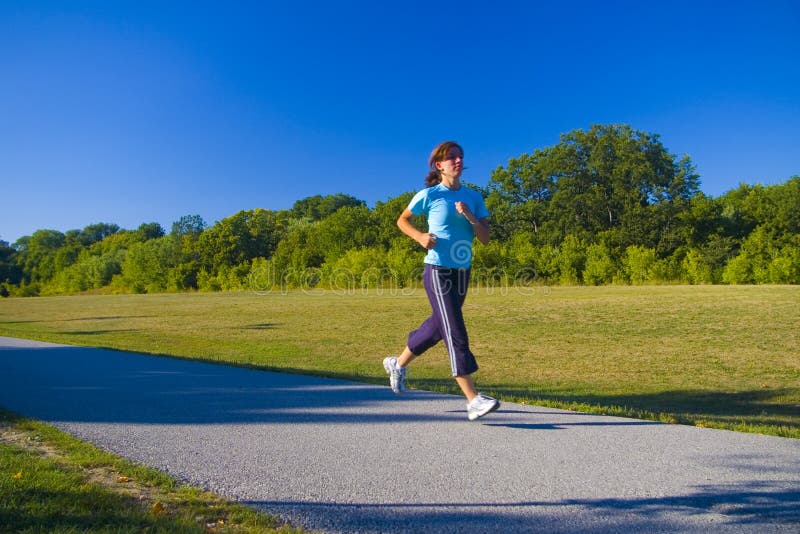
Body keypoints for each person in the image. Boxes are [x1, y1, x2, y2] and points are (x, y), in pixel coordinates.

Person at [383, 141, 500, 421]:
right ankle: (472, 399)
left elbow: (485, 238)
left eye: (460, 157)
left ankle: (397, 364)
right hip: (437, 269)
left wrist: (470, 216)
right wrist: (420, 237)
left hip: (462, 271)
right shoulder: (429, 195)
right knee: (454, 328)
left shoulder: (474, 197)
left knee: (439, 327)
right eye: (452, 158)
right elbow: (402, 220)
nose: (458, 161)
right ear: (439, 165)